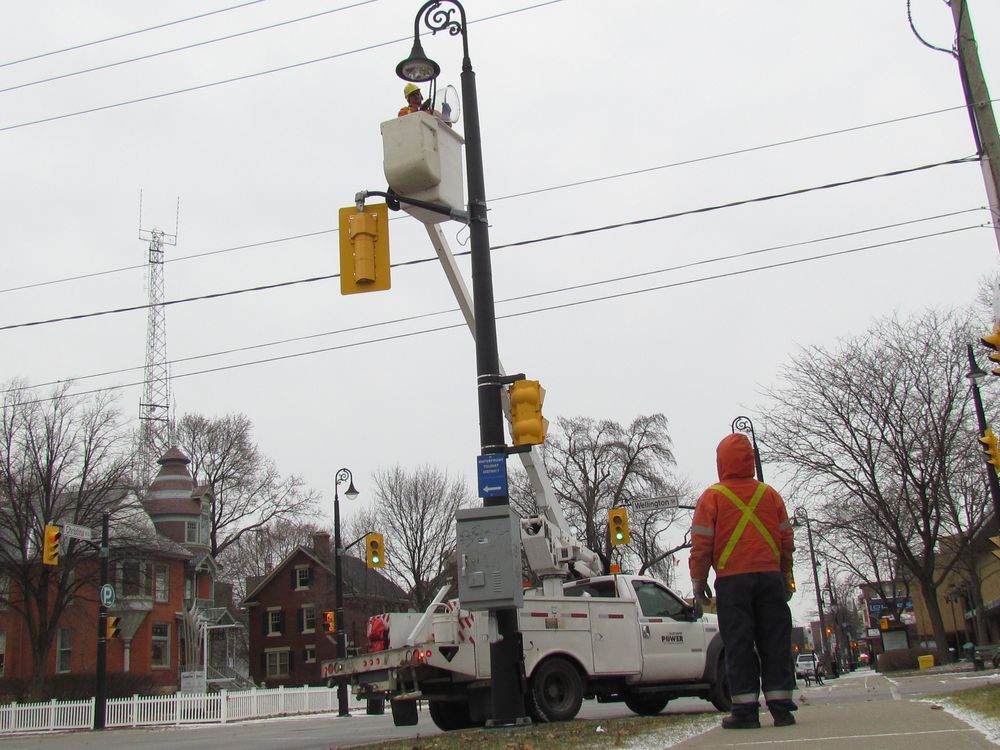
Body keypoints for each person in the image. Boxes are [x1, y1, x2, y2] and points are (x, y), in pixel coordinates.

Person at [689, 432, 797, 729]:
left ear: (721, 462)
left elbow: (702, 545)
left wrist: (698, 581)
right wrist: (785, 574)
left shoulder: (713, 498)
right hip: (769, 578)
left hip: (733, 581)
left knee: (738, 644)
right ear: (750, 460)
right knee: (775, 641)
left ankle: (745, 711)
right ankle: (781, 707)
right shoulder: (770, 495)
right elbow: (786, 540)